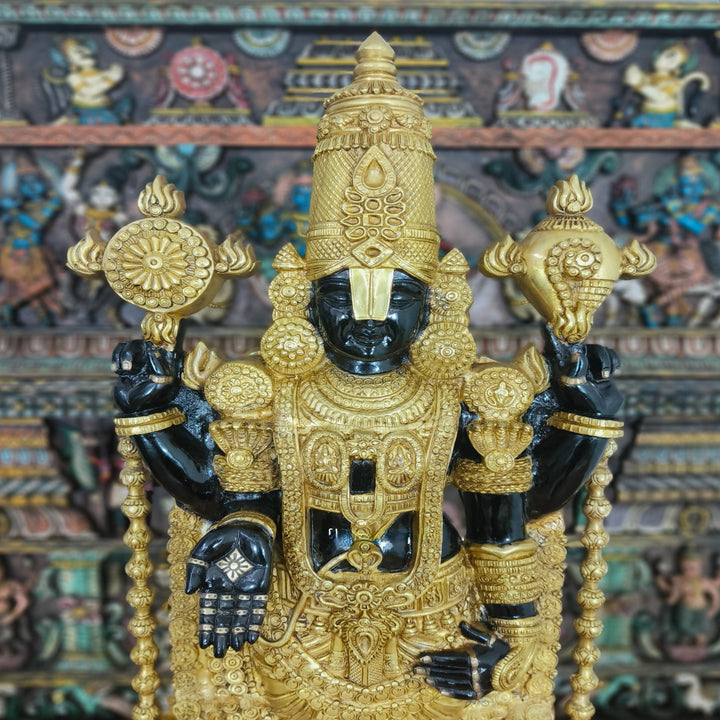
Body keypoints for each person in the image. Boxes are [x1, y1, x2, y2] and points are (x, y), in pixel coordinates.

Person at [110, 34, 623, 720]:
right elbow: (231, 496)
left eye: (397, 295)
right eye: (343, 294)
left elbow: (505, 527)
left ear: (433, 304)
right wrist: (160, 424)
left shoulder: (470, 396)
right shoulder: (262, 392)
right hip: (292, 629)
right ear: (305, 302)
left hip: (436, 628)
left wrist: (509, 646)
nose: (370, 317)